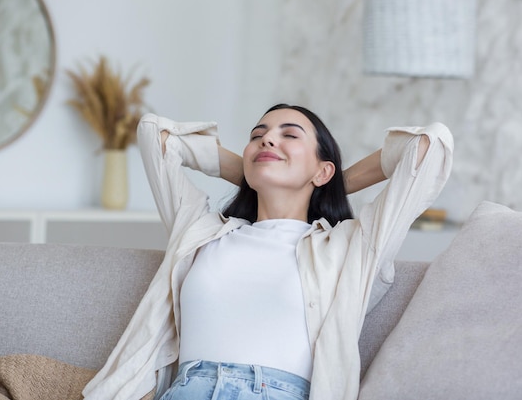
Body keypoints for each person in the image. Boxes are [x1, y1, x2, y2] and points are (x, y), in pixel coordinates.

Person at [82, 104, 454, 400]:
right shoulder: (201, 231)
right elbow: (155, 134)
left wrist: (332, 183)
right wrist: (253, 171)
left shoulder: (348, 247)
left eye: (288, 135)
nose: (267, 140)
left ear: (322, 170)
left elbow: (429, 147)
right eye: (257, 136)